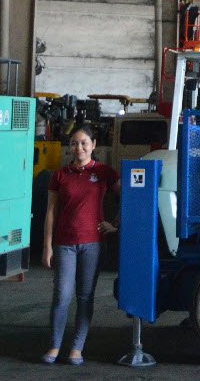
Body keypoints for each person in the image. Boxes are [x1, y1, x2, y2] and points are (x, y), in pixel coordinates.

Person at [42, 123, 120, 365]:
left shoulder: (104, 172)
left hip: (93, 245)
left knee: (85, 297)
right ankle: (54, 346)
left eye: (84, 143)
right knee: (61, 296)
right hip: (65, 244)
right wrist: (47, 245)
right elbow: (51, 212)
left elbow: (129, 195)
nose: (79, 148)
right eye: (74, 143)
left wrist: (116, 224)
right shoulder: (60, 175)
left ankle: (77, 348)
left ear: (94, 145)